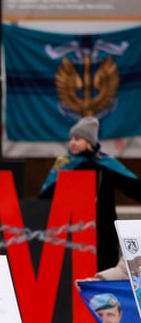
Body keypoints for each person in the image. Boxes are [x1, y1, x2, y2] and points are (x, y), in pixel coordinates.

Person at [40, 116, 141, 271]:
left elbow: (132, 186)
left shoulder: (106, 164)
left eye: (77, 139)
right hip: (73, 230)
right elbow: (46, 196)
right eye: (71, 139)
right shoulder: (64, 164)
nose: (72, 143)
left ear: (89, 141)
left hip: (103, 228)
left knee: (104, 271)